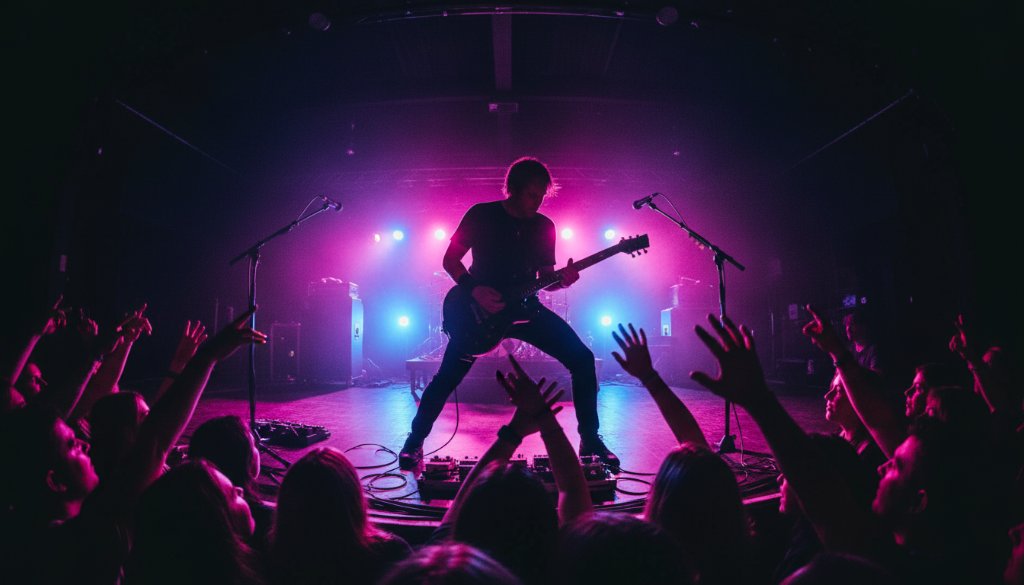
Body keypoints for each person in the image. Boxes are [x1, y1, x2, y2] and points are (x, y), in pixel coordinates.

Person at [399, 157, 616, 469]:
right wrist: (474, 288)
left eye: (542, 195)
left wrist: (563, 281)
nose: (537, 202)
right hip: (479, 311)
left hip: (527, 310)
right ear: (512, 189)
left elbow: (546, 278)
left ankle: (590, 440)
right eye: (532, 194)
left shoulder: (545, 227)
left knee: (582, 360)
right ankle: (415, 441)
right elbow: (450, 260)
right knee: (446, 377)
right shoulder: (481, 215)